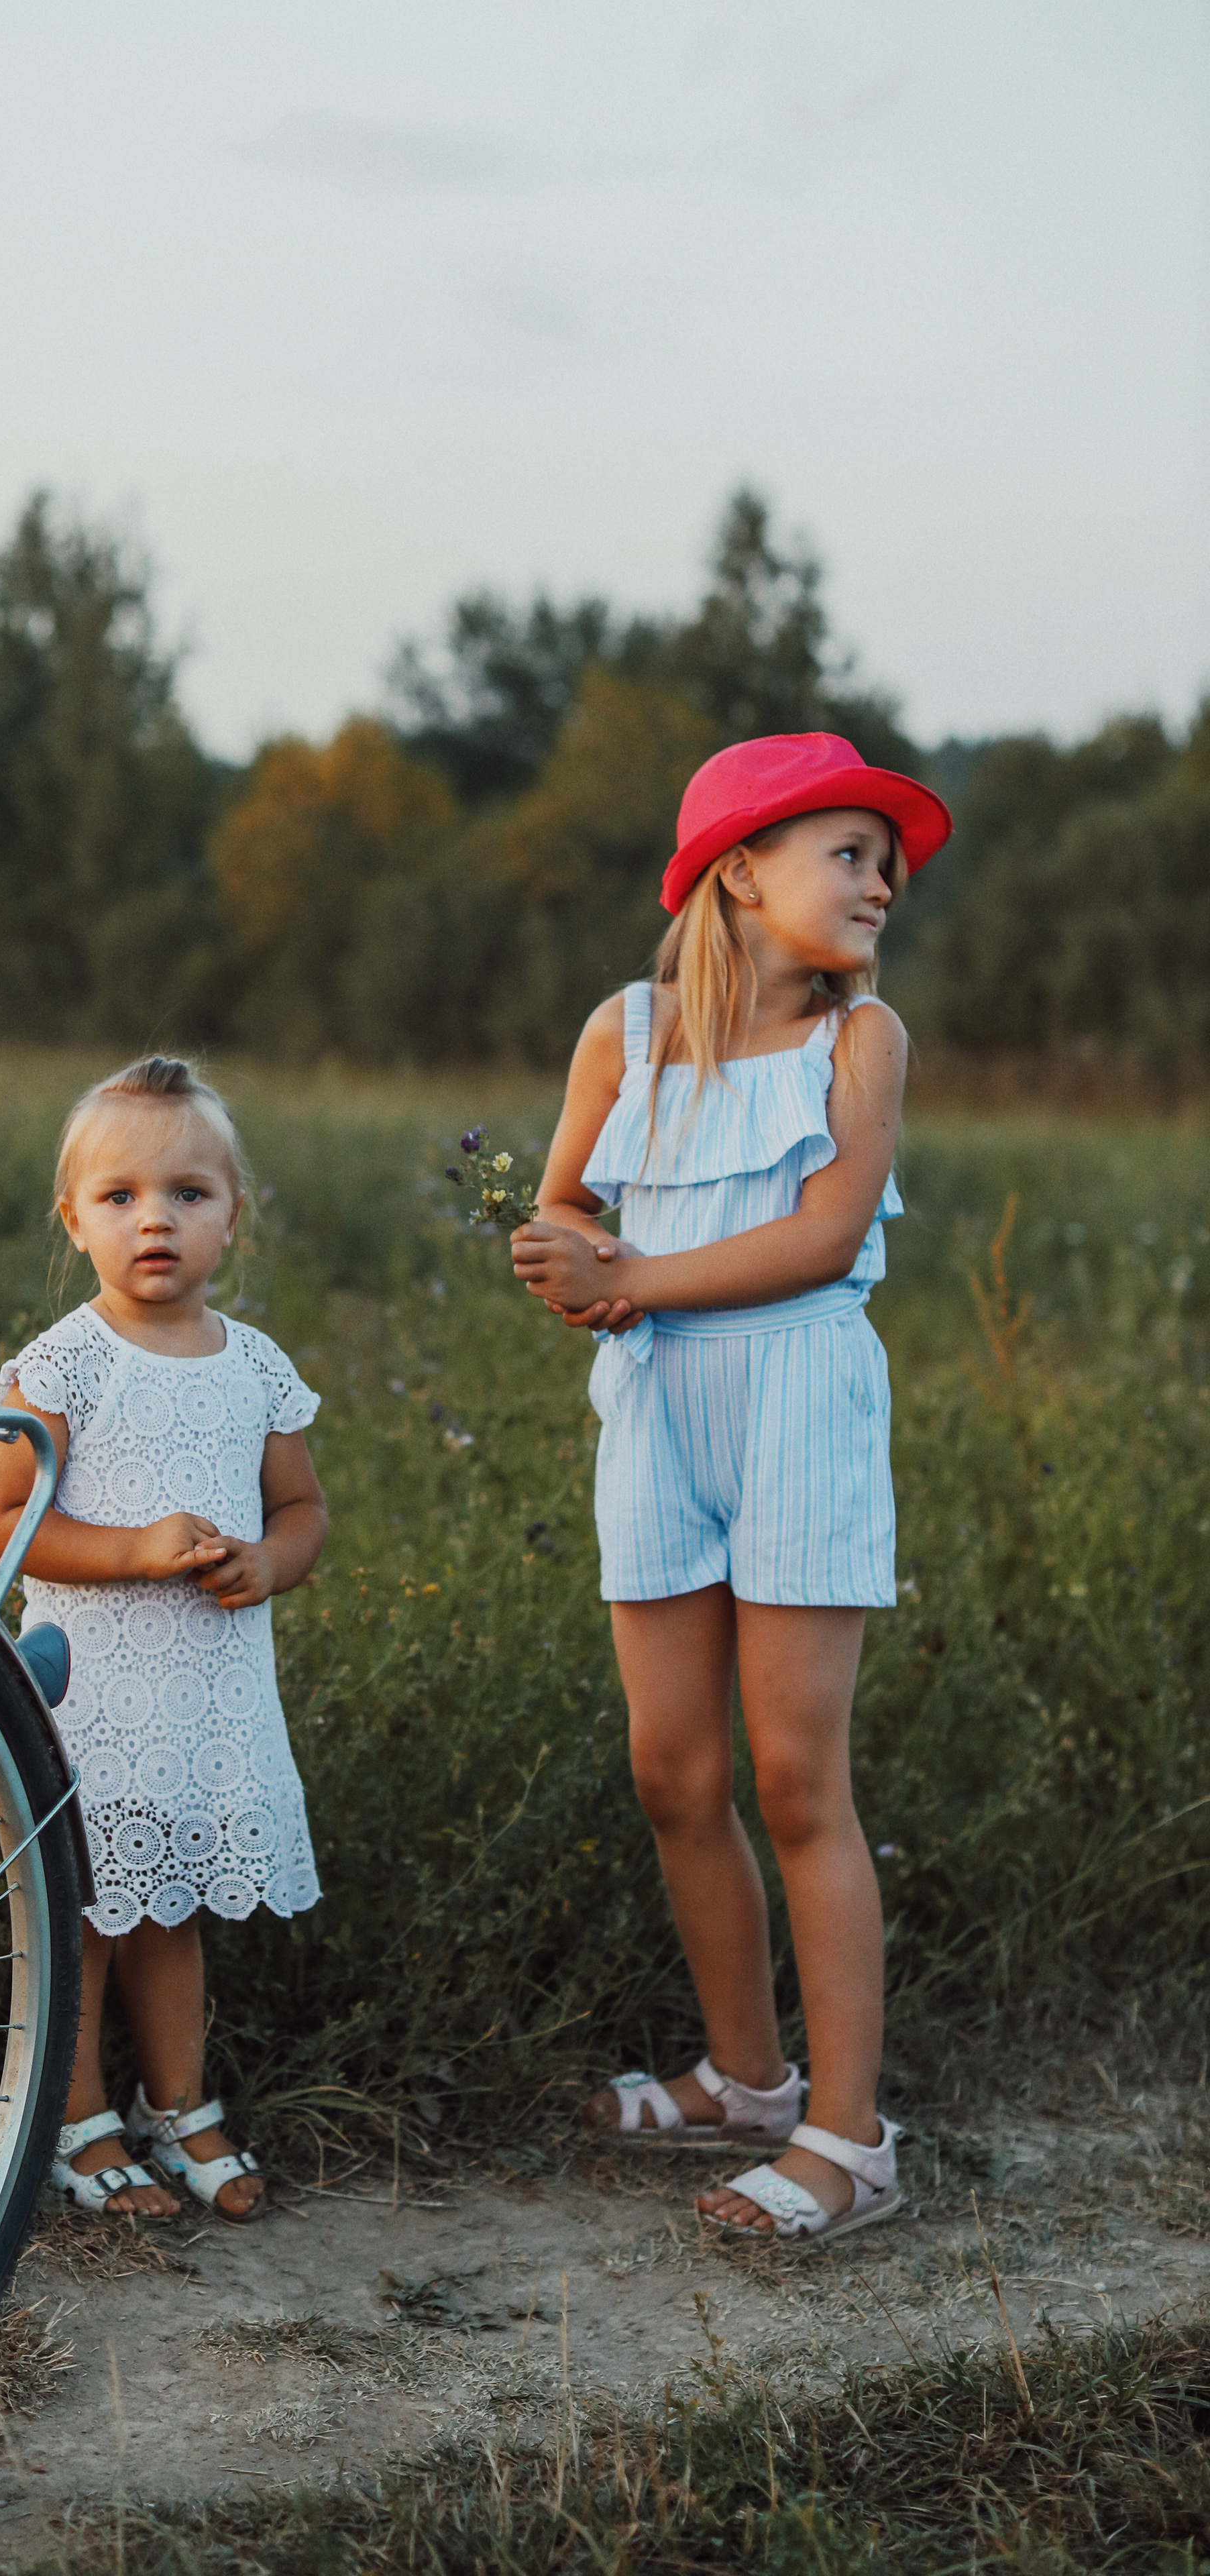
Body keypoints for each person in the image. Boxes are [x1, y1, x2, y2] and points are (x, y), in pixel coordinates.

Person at [510, 733, 952, 2247]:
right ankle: (747, 2078)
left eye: (884, 857)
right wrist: (565, 1266)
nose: (880, 877)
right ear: (737, 872)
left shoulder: (860, 1042)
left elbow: (825, 1236)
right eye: (847, 849)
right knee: (673, 1773)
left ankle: (846, 2137)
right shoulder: (622, 1035)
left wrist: (632, 1276)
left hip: (795, 1403)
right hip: (653, 1409)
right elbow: (564, 1201)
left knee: (791, 1780)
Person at [0, 1055, 327, 2224]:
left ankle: (182, 2108)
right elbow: (1, 1525)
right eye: (120, 1197)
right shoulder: (62, 1363)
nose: (155, 1219)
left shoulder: (255, 1366)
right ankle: (76, 2122)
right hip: (94, 1693)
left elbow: (302, 1508)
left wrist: (267, 1563)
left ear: (232, 1213)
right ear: (74, 1221)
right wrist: (135, 1549)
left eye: (188, 1192)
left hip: (206, 1692)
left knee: (170, 1910)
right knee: (82, 1916)